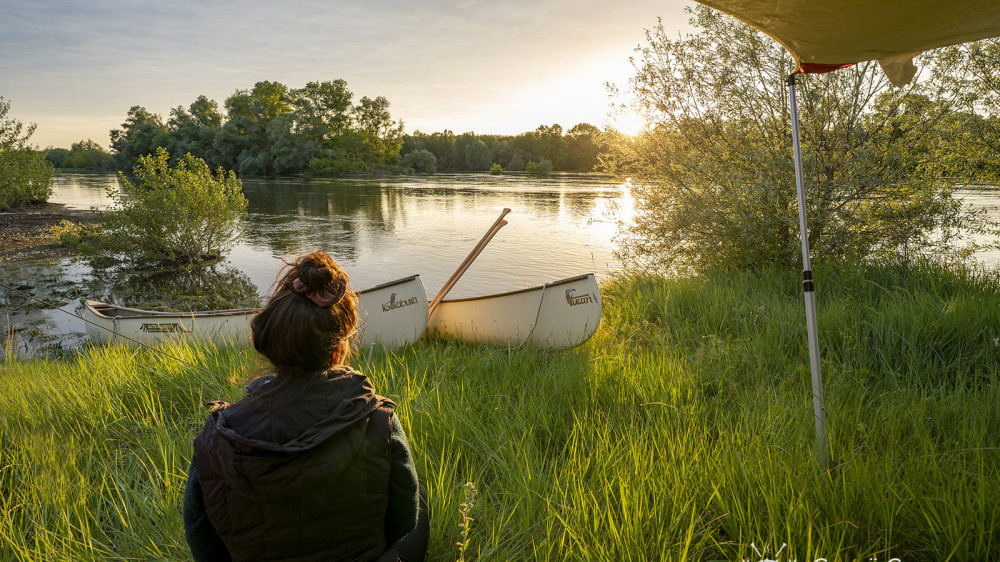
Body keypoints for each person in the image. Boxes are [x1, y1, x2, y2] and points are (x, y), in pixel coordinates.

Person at [184, 250, 429, 562]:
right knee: (419, 497)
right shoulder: (379, 420)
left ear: (269, 348)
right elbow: (404, 522)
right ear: (338, 349)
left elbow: (199, 535)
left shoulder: (217, 435)